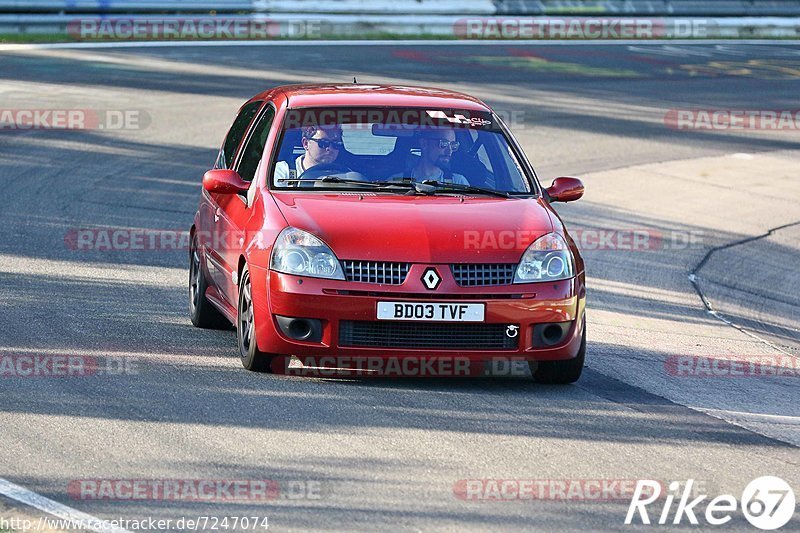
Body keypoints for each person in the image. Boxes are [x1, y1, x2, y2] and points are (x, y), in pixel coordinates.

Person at [274, 125, 345, 186]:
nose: (330, 148)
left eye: (336, 144)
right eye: (323, 143)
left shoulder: (347, 176)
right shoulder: (283, 171)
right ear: (305, 143)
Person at [397, 128, 469, 185]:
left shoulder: (459, 183)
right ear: (424, 143)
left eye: (453, 145)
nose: (449, 151)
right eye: (443, 143)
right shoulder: (396, 183)